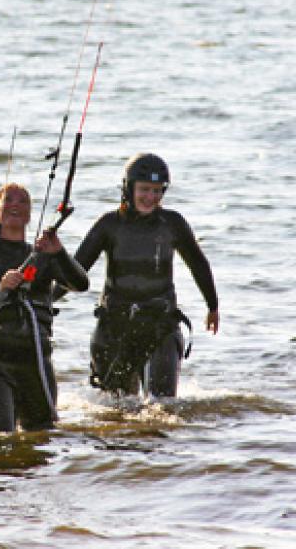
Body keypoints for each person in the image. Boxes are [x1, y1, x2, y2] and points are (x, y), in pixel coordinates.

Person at [73, 153, 219, 398]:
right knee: (116, 411)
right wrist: (44, 301)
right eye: (144, 190)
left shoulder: (173, 223)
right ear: (128, 188)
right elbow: (76, 272)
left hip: (160, 326)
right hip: (114, 328)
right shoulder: (109, 225)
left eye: (157, 191)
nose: (150, 197)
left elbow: (198, 264)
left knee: (162, 407)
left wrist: (212, 306)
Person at [0, 183, 89, 432]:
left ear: (30, 215)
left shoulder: (42, 255)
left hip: (37, 363)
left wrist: (59, 253)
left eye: (23, 201)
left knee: (41, 443)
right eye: (8, 200)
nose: (15, 204)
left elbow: (80, 284)